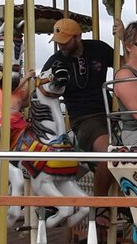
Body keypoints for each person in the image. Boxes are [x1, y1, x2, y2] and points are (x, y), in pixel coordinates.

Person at [42, 17, 116, 197]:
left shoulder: (99, 49)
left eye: (65, 42)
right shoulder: (56, 61)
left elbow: (123, 64)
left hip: (110, 112)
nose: (61, 46)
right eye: (59, 42)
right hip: (84, 118)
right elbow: (41, 88)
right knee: (109, 154)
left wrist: (123, 37)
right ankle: (100, 207)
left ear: (78, 37)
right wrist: (52, 84)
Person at [0, 68, 35, 141]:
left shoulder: (20, 88)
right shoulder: (1, 81)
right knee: (5, 136)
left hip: (18, 120)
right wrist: (26, 77)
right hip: (3, 120)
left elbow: (25, 102)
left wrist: (30, 84)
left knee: (31, 134)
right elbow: (10, 88)